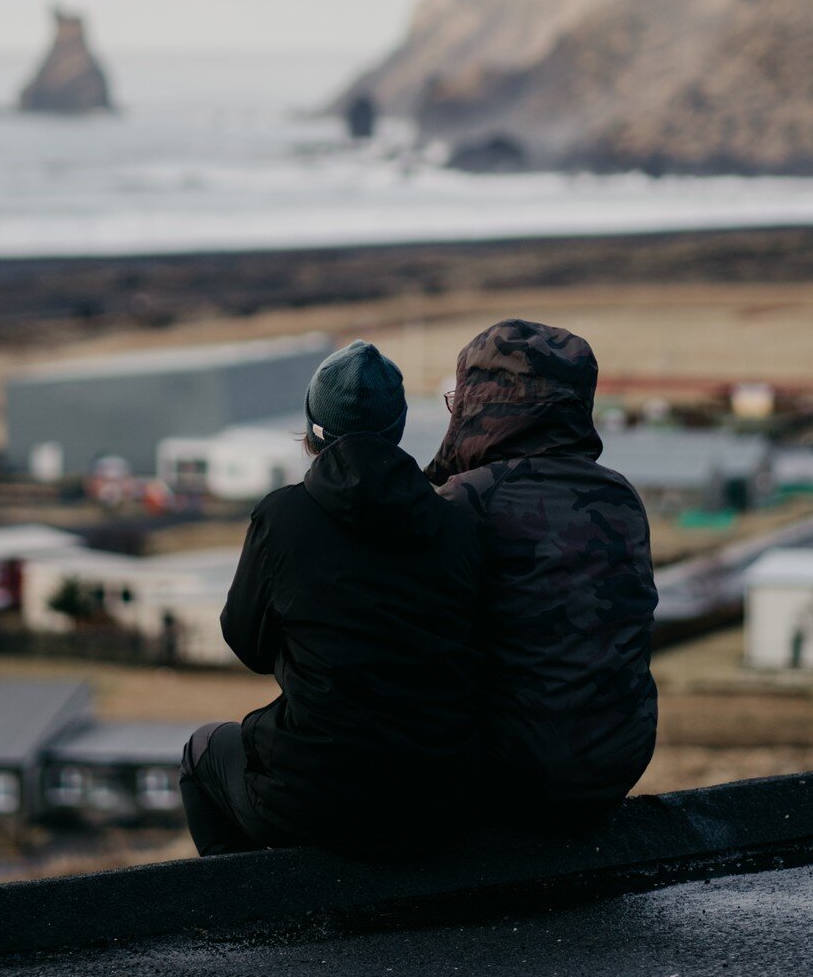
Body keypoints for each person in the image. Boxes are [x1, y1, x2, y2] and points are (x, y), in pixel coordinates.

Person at [180, 339, 484, 857]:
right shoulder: (457, 521)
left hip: (316, 793)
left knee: (201, 751)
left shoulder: (282, 517)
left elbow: (247, 645)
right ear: (398, 428)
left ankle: (247, 923)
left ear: (313, 431)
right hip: (441, 792)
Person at [426, 318, 657, 826]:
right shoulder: (619, 495)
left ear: (482, 403)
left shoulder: (469, 499)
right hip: (620, 759)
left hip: (517, 771)